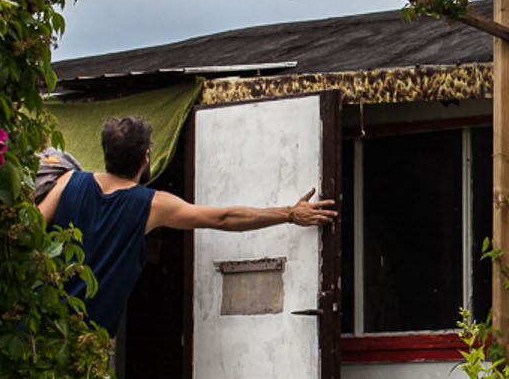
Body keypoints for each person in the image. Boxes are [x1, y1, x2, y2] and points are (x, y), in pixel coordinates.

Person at [37, 115, 337, 332]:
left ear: (105, 153)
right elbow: (223, 217)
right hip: (86, 336)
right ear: (146, 156)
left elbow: (32, 226)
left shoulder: (67, 182)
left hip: (39, 320)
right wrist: (288, 213)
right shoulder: (151, 204)